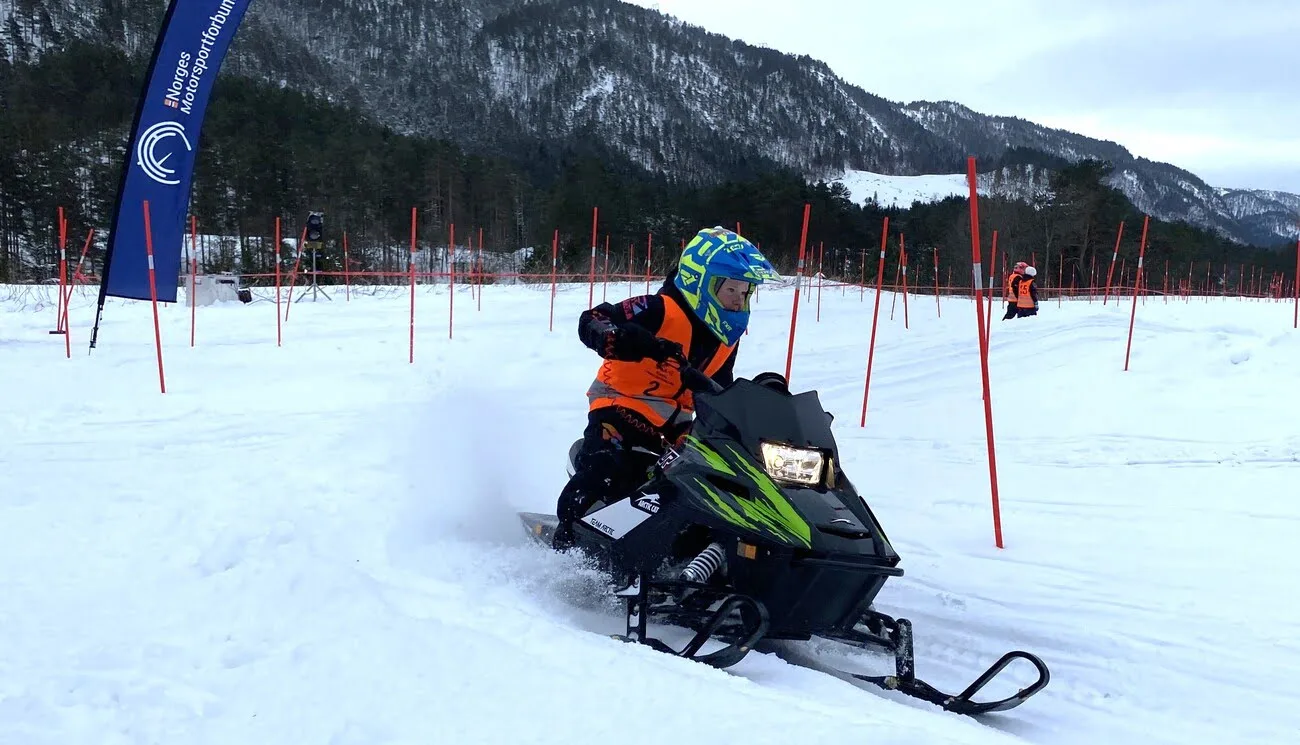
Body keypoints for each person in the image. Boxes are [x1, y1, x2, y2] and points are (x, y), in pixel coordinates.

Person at [551, 226, 780, 551]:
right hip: (620, 413)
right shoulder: (660, 308)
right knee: (608, 471)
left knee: (719, 489)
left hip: (676, 430)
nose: (738, 300)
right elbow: (594, 318)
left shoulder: (726, 340)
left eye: (746, 293)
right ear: (702, 282)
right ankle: (567, 544)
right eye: (732, 290)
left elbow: (722, 391)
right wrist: (615, 337)